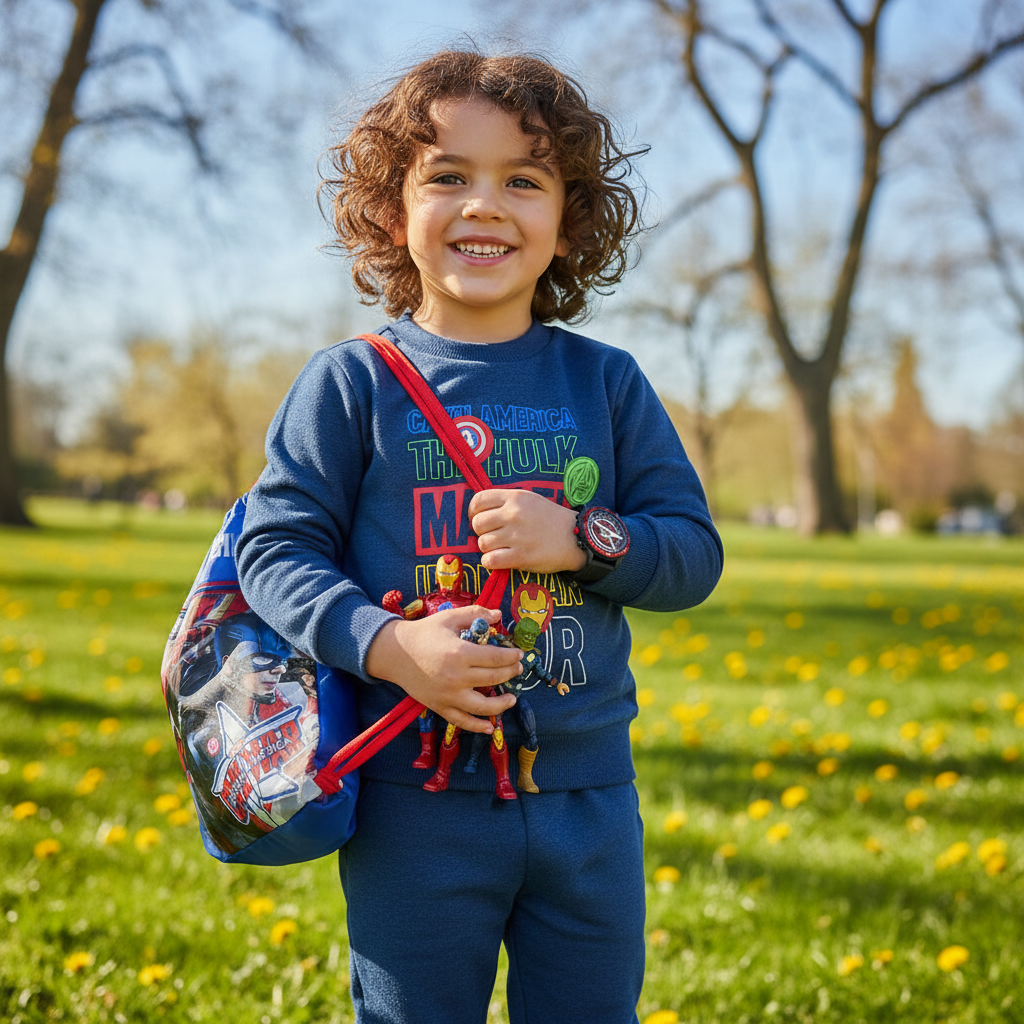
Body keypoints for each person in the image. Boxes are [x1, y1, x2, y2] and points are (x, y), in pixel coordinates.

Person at [237, 49, 722, 1024]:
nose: (485, 204)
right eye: (447, 176)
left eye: (524, 180)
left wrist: (583, 538)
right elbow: (273, 550)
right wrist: (389, 644)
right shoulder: (350, 384)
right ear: (390, 212)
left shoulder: (609, 384)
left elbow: (692, 555)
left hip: (588, 800)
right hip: (412, 801)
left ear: (567, 221)